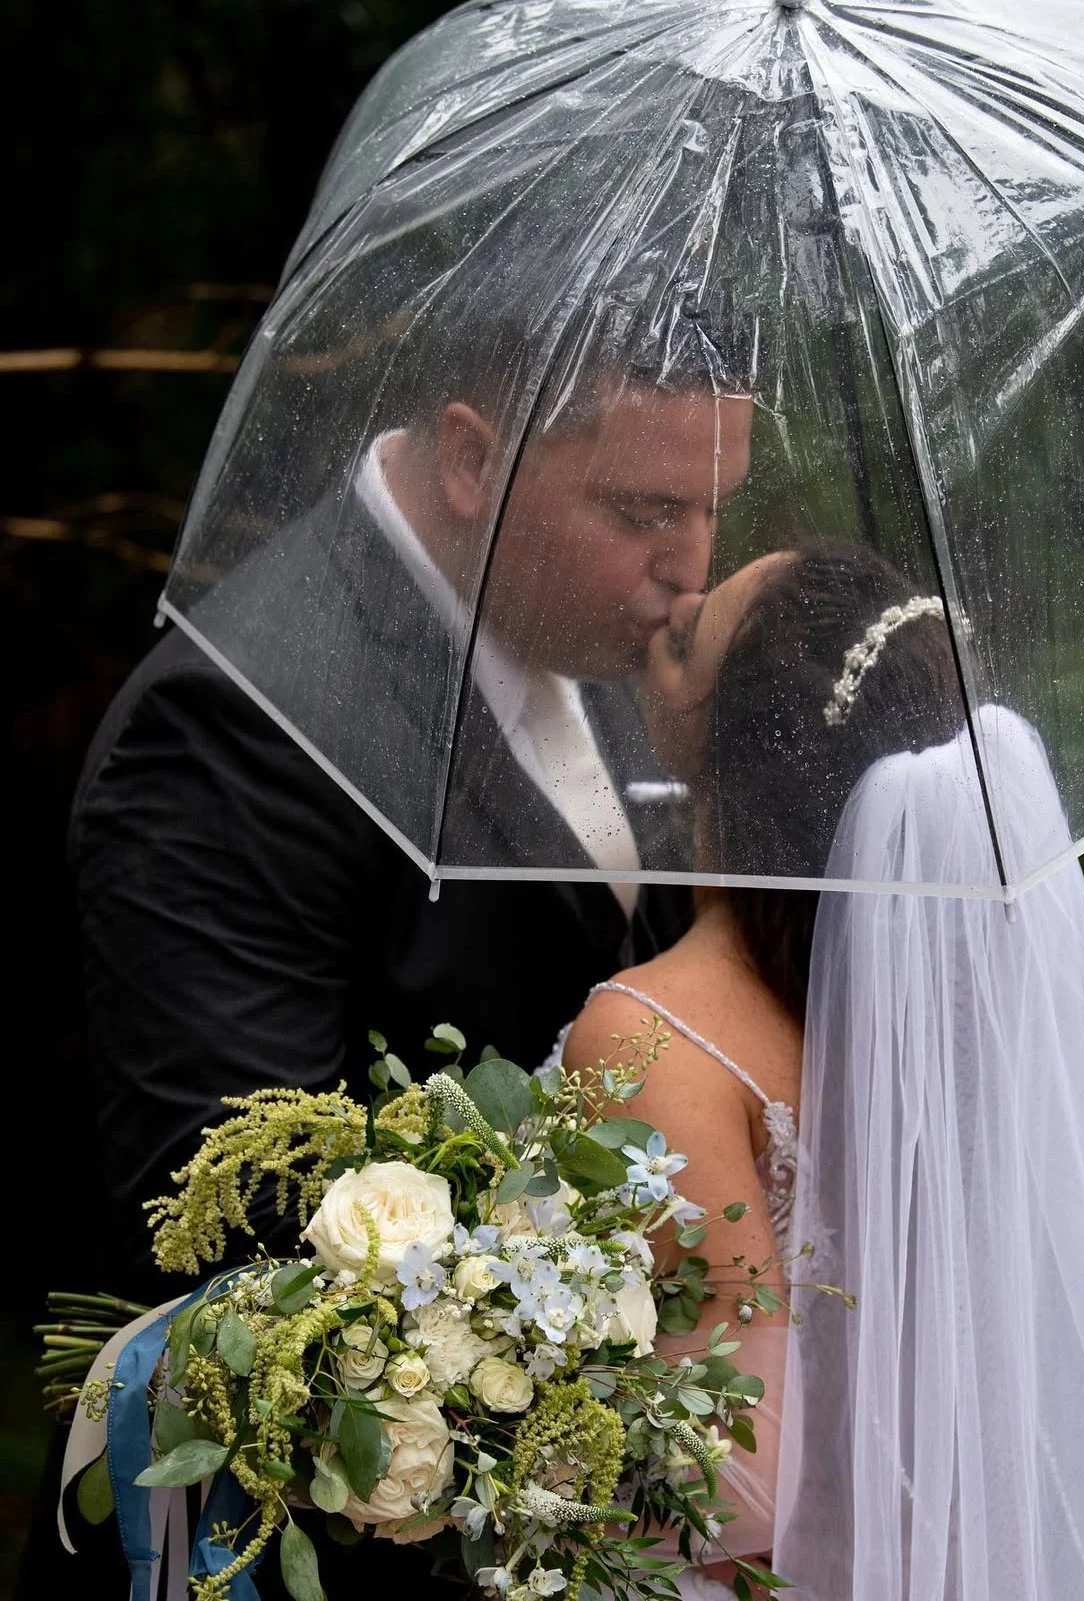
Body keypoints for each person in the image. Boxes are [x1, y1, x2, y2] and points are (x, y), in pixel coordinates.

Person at [19, 333, 753, 1600]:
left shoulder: (618, 635)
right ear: (473, 457)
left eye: (712, 510)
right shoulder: (239, 721)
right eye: (644, 511)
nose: (692, 572)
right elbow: (232, 1231)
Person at [561, 539, 1084, 1600]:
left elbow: (737, 1491)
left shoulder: (648, 1041)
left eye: (683, 643)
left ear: (732, 741)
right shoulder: (971, 1014)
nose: (658, 627)